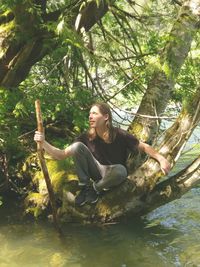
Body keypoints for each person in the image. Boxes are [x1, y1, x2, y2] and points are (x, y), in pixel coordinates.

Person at [34, 102, 171, 206]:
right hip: (96, 171)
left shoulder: (119, 134)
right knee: (76, 147)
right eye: (90, 114)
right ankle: (85, 187)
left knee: (121, 170)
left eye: (94, 113)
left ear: (106, 117)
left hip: (114, 175)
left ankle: (95, 188)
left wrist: (161, 159)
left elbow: (143, 146)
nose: (90, 116)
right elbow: (61, 155)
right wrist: (43, 142)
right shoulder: (86, 137)